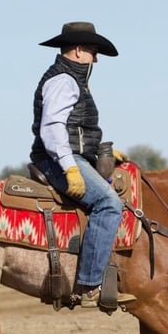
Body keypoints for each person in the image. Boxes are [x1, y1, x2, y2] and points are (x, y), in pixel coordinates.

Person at [30, 21, 136, 309]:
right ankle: (89, 286)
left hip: (72, 156)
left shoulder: (73, 79)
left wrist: (101, 152)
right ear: (77, 51)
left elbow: (77, 129)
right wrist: (71, 167)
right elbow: (52, 129)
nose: (96, 58)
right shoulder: (64, 80)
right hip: (57, 159)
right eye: (93, 51)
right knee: (109, 204)